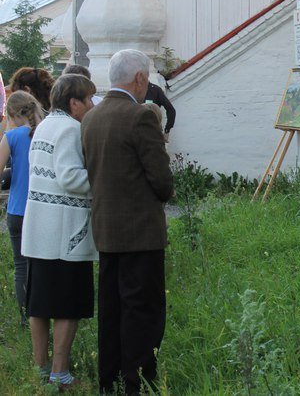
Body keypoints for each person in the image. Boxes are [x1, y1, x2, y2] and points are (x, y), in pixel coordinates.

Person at [81, 49, 173, 395]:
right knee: (142, 310)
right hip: (141, 234)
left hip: (106, 230)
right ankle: (137, 382)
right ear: (139, 78)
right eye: (146, 79)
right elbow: (161, 181)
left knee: (111, 308)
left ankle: (110, 380)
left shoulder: (91, 118)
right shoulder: (140, 117)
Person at [21, 75, 98, 389]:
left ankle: (41, 370)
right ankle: (60, 374)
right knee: (68, 305)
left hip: (41, 230)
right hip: (64, 233)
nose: (91, 105)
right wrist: (102, 178)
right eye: (88, 99)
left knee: (39, 305)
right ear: (74, 102)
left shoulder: (44, 126)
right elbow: (69, 178)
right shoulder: (70, 129)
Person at [0, 92, 44, 326]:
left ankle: (26, 319)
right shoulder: (45, 131)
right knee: (42, 266)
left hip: (18, 209)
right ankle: (44, 315)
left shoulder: (12, 136)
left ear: (13, 114)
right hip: (43, 209)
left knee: (20, 266)